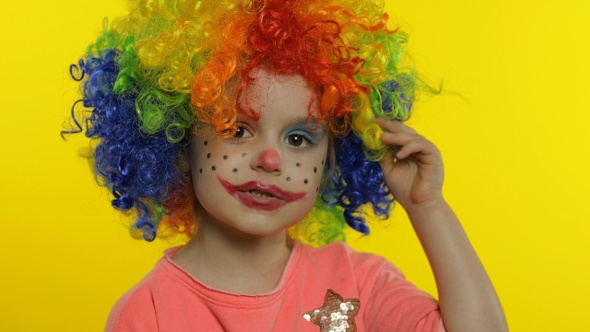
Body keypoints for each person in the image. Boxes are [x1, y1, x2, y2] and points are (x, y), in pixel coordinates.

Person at [64, 0, 507, 330]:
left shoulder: (359, 285)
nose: (272, 160)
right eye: (236, 129)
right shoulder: (150, 313)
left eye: (299, 138)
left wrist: (427, 206)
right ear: (178, 140)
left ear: (332, 159)